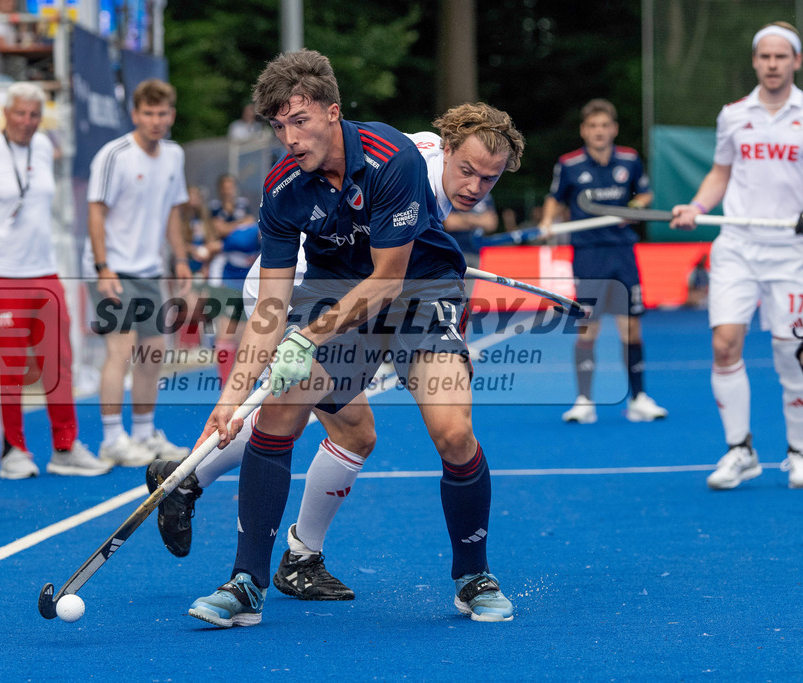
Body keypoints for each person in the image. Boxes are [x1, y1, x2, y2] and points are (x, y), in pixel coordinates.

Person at [185, 50, 519, 628]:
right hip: (333, 293)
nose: (289, 137)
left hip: (418, 290)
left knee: (453, 430)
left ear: (333, 112)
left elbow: (388, 279)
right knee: (280, 409)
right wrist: (231, 395)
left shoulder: (395, 159)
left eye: (300, 120)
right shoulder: (282, 188)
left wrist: (306, 336)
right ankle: (246, 583)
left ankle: (472, 575)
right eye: (279, 125)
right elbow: (268, 306)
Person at [0, 82, 111, 479]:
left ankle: (65, 446)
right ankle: (12, 450)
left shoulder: (42, 146)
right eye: (20, 113)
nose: (27, 122)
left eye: (34, 115)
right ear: (6, 113)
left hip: (43, 268)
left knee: (59, 359)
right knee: (11, 363)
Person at [670, 21, 803, 490]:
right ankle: (739, 450)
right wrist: (697, 206)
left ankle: (799, 451)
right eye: (764, 57)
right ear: (754, 61)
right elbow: (720, 174)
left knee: (794, 355)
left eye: (781, 56)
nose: (772, 64)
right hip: (737, 247)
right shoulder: (734, 115)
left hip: (793, 253)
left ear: (796, 62)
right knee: (725, 344)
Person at [84, 78, 193, 468]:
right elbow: (96, 211)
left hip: (148, 269)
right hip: (113, 268)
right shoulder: (115, 155)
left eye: (162, 113)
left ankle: (144, 433)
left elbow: (172, 210)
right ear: (135, 114)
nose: (155, 120)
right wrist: (102, 266)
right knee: (121, 349)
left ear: (171, 116)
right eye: (148, 113)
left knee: (153, 352)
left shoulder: (174, 156)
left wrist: (180, 259)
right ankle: (113, 438)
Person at [539, 98, 668, 425]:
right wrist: (548, 222)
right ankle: (584, 401)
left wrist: (634, 209)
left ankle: (638, 397)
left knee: (631, 328)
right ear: (584, 130)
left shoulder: (630, 160)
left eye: (604, 126)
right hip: (588, 254)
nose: (599, 132)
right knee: (588, 328)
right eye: (593, 126)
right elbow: (554, 198)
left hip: (622, 252)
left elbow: (645, 194)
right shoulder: (569, 164)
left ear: (614, 129)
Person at [207, 173, 259, 385]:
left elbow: (251, 225)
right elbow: (219, 230)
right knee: (226, 333)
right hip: (226, 276)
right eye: (225, 186)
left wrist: (236, 232)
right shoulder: (216, 208)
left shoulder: (243, 204)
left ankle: (241, 385)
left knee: (245, 337)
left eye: (232, 185)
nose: (229, 189)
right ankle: (226, 387)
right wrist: (238, 231)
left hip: (249, 279)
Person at [443, 194, 497, 268]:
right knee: (452, 279)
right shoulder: (453, 192)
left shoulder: (485, 195)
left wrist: (464, 218)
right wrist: (479, 220)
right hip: (454, 251)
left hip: (475, 252)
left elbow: (491, 224)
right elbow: (450, 223)